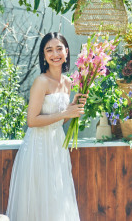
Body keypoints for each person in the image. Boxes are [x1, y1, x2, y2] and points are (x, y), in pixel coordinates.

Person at [6, 32, 88, 221]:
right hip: (38, 148)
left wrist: (71, 109)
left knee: (58, 198)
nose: (55, 54)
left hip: (57, 146)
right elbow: (32, 121)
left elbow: (59, 120)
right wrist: (65, 113)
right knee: (40, 199)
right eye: (49, 50)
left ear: (66, 52)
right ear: (44, 56)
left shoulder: (68, 83)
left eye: (59, 48)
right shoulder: (41, 81)